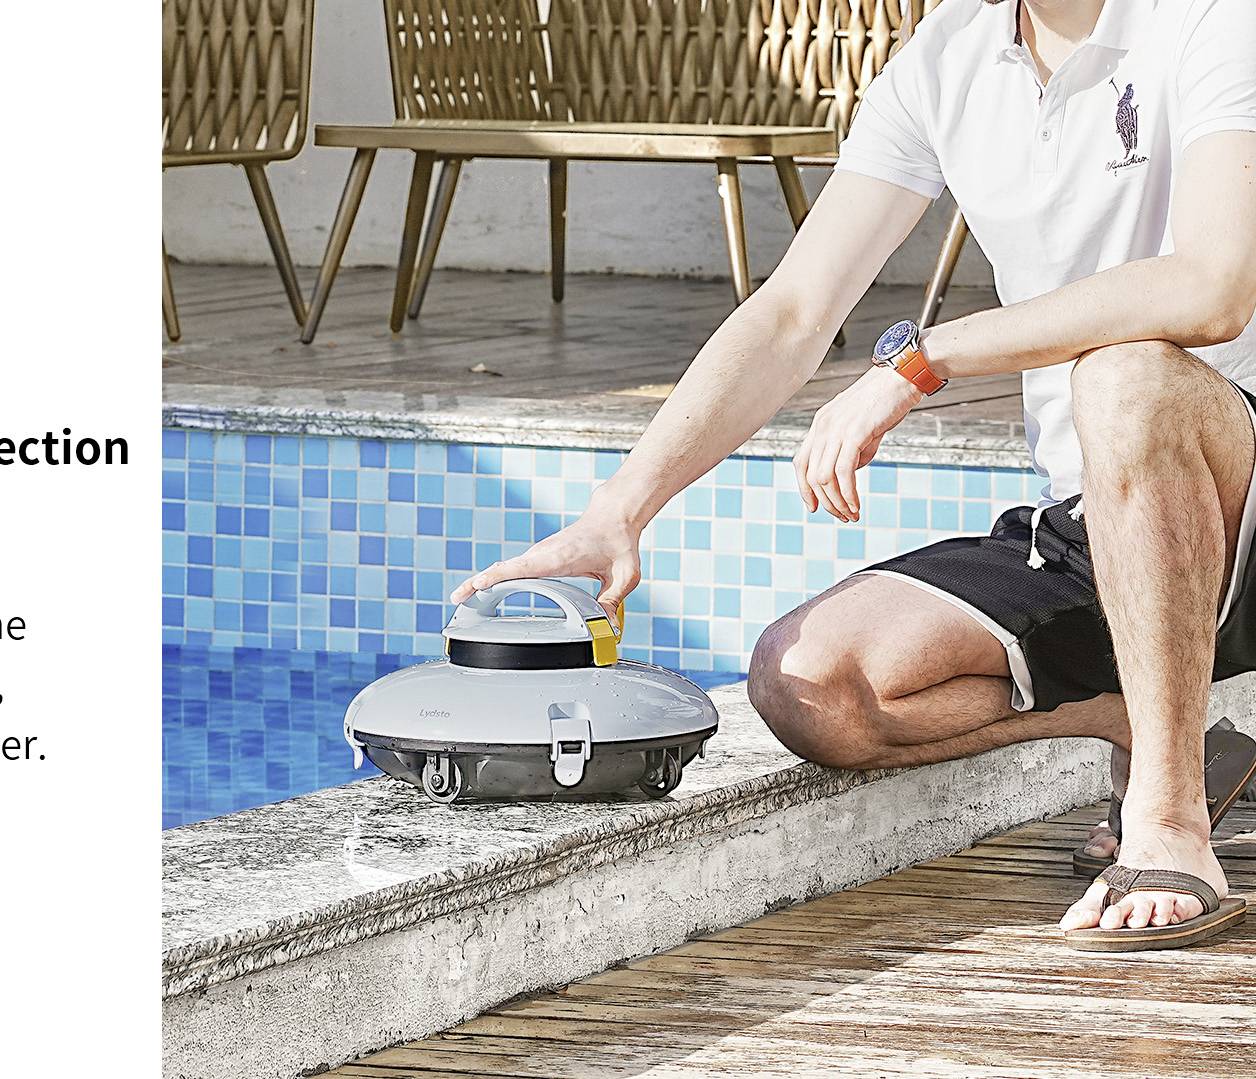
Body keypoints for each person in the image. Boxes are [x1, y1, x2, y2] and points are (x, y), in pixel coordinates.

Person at [452, 0, 1256, 950]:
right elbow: (794, 311)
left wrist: (923, 358)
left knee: (1125, 377)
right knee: (811, 684)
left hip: (1232, 478)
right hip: (1104, 520)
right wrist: (623, 505)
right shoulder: (949, 55)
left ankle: (1167, 824)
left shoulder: (1212, 18)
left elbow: (1211, 286)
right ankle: (1154, 718)